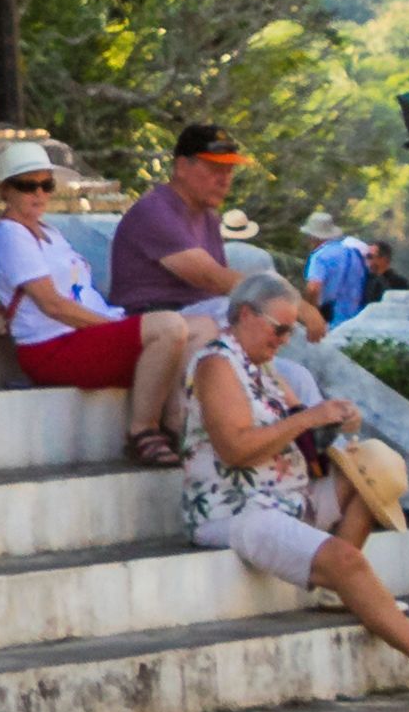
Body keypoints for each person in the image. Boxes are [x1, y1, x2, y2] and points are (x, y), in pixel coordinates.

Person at [181, 270, 409, 706]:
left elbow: (303, 437)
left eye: (290, 331)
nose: (284, 339)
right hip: (238, 511)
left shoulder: (265, 366)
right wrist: (309, 417)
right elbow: (236, 449)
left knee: (373, 476)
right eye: (279, 329)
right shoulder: (216, 364)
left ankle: (336, 588)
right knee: (346, 560)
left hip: (286, 494)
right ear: (246, 315)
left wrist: (338, 420)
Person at [108, 121, 317, 465]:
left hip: (201, 319)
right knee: (246, 316)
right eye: (215, 169)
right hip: (156, 324)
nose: (225, 179)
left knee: (299, 379)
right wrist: (294, 304)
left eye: (230, 170)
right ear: (181, 166)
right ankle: (175, 428)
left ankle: (322, 457)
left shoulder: (206, 215)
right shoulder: (155, 211)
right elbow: (211, 277)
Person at [0, 143, 173, 455]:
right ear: (6, 190)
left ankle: (181, 433)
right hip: (52, 346)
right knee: (168, 327)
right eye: (28, 185)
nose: (39, 194)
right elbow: (52, 305)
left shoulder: (50, 231)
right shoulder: (10, 234)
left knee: (200, 330)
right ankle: (144, 430)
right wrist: (115, 328)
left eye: (46, 185)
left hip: (84, 336)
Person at [301, 209, 373, 329]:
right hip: (356, 320)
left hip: (330, 321)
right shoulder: (353, 253)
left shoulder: (320, 256)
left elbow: (313, 288)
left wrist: (310, 314)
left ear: (313, 237)